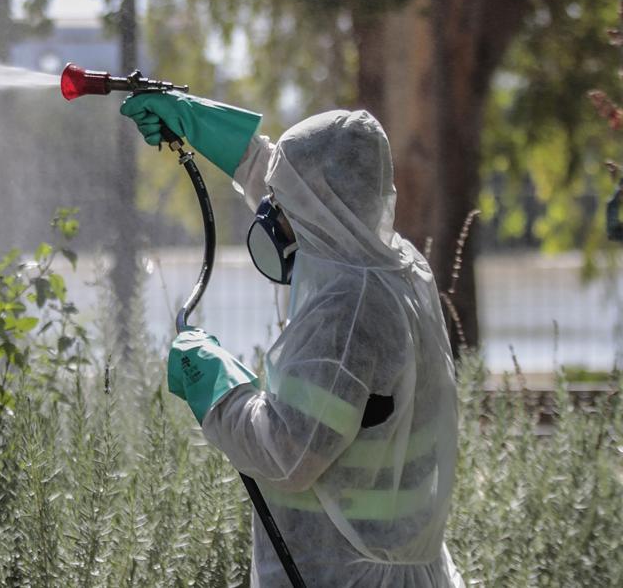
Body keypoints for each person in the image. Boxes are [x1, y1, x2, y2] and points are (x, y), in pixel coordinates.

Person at [121, 92, 465, 587]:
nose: (273, 216)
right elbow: (302, 187)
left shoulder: (345, 315)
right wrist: (195, 120)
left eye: (280, 205)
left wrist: (218, 387)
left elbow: (288, 453)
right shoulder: (400, 270)